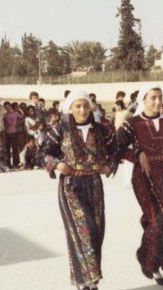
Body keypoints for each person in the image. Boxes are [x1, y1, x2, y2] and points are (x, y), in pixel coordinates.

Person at [42, 91, 117, 290]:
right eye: (77, 106)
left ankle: (92, 281)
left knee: (96, 232)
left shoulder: (101, 130)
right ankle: (84, 282)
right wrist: (57, 165)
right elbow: (44, 153)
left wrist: (109, 165)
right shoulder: (60, 129)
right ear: (70, 109)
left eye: (85, 106)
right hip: (71, 187)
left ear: (90, 108)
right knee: (82, 230)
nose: (82, 110)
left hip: (94, 185)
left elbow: (115, 150)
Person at [116, 84, 163, 285]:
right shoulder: (133, 123)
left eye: (160, 97)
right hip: (143, 177)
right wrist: (137, 153)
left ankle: (154, 254)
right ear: (144, 99)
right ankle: (150, 263)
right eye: (153, 97)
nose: (158, 102)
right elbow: (116, 146)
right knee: (154, 220)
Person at [3, 102, 23, 168]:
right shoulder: (4, 115)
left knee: (15, 149)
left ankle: (16, 163)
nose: (7, 108)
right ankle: (8, 164)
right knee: (7, 149)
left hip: (14, 132)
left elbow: (22, 117)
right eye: (5, 107)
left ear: (10, 107)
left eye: (8, 106)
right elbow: (3, 122)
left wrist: (17, 123)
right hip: (7, 133)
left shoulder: (15, 113)